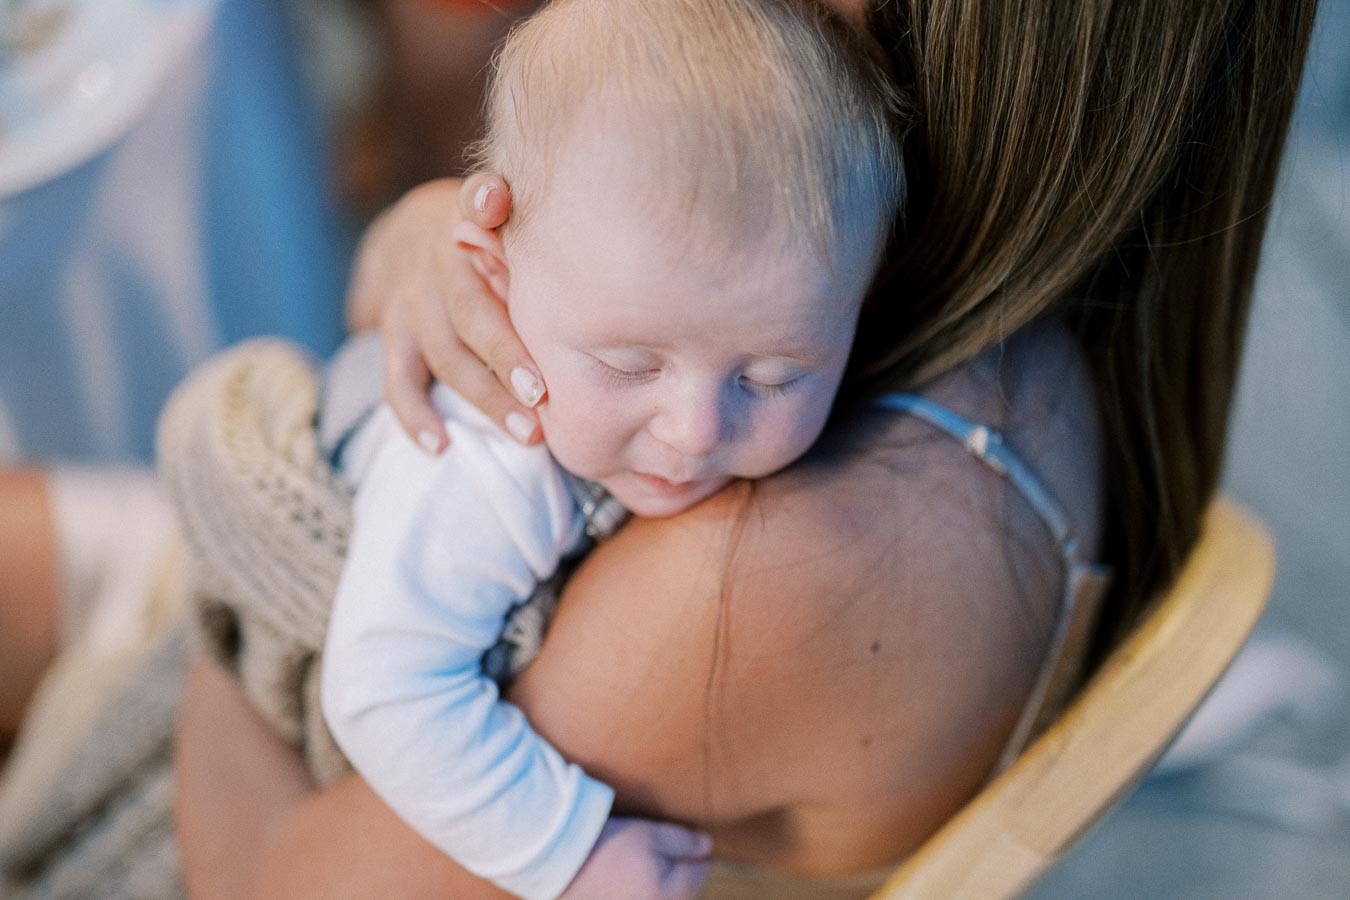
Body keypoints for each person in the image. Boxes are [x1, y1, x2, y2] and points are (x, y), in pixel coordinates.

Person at [1, 0, 1316, 897]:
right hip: (397, 541)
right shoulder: (894, 264)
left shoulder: (790, 566)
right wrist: (423, 246)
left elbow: (278, 873)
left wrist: (235, 596)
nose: (699, 426)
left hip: (300, 673)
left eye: (758, 377)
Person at [318, 1, 903, 898]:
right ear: (497, 277)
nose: (698, 429)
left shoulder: (643, 329)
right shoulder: (484, 468)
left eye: (776, 376)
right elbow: (381, 690)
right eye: (631, 365)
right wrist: (566, 848)